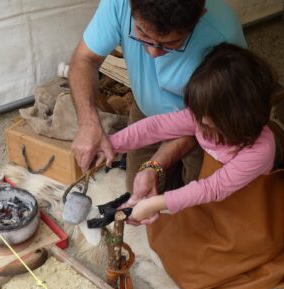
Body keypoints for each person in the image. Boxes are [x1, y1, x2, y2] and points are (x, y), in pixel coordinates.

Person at [69, 0, 247, 199]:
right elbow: (85, 58)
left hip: (204, 124)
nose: (153, 53)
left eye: (170, 43)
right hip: (146, 109)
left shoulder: (223, 35)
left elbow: (202, 121)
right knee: (137, 193)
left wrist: (155, 165)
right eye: (143, 34)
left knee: (199, 207)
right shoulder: (117, 3)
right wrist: (88, 124)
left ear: (199, 17)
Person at [105, 42, 276, 223]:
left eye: (212, 118)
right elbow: (156, 127)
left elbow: (212, 189)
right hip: (216, 182)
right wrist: (111, 144)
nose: (202, 121)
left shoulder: (260, 150)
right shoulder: (202, 114)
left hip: (244, 197)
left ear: (239, 117)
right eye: (200, 112)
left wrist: (153, 204)